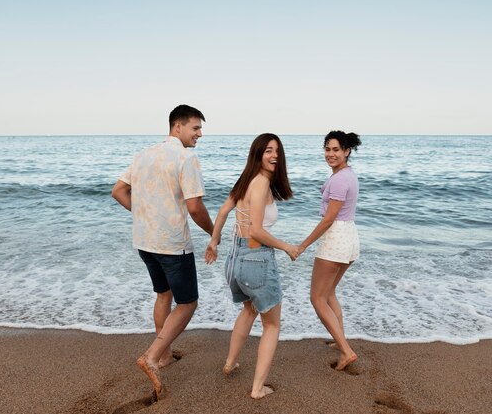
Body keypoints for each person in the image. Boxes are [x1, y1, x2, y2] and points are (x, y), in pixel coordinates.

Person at [111, 104, 214, 397]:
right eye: (195, 128)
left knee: (163, 295)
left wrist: (143, 215)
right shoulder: (186, 158)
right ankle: (153, 357)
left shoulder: (143, 155)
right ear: (177, 127)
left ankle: (166, 355)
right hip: (172, 244)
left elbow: (118, 191)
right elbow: (194, 206)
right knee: (188, 303)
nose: (200, 134)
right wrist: (213, 233)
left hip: (144, 241)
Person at [205, 133, 299, 399]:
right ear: (257, 153)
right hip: (257, 260)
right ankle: (257, 389)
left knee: (248, 310)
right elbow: (257, 231)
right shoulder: (260, 184)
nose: (274, 156)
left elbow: (223, 212)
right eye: (268, 150)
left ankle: (230, 362)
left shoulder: (245, 181)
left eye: (277, 152)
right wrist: (287, 247)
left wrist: (214, 242)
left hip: (235, 259)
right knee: (272, 325)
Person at [297, 130, 362, 371]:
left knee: (317, 298)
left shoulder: (339, 179)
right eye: (327, 149)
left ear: (346, 151)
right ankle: (340, 340)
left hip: (336, 240)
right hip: (349, 238)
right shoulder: (348, 175)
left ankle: (346, 351)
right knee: (330, 293)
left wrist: (302, 246)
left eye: (336, 149)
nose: (330, 154)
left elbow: (328, 220)